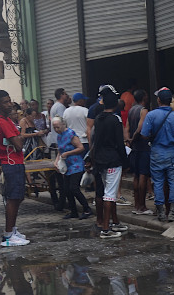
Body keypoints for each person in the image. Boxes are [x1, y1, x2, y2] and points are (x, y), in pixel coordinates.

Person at [141, 87, 174, 221]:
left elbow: (144, 134)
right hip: (173, 153)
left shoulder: (151, 115)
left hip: (156, 153)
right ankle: (172, 211)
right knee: (173, 182)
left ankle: (161, 211)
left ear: (159, 100)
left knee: (158, 182)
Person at [0, 89, 30, 246]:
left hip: (14, 162)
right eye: (5, 102)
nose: (9, 104)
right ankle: (8, 235)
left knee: (17, 197)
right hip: (11, 163)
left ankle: (12, 230)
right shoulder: (1, 121)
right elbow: (19, 145)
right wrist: (19, 137)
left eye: (9, 101)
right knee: (13, 199)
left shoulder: (5, 120)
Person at [88, 89, 129, 239]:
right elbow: (119, 143)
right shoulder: (116, 120)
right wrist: (126, 162)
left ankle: (114, 222)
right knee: (110, 195)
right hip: (113, 160)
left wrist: (94, 159)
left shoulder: (98, 118)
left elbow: (95, 141)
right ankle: (106, 229)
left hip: (100, 160)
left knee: (107, 193)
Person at [54, 116, 91, 219]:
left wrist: (68, 153)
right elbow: (59, 150)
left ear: (63, 124)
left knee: (73, 188)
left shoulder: (70, 134)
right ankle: (73, 211)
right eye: (54, 128)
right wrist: (56, 161)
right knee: (66, 189)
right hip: (67, 166)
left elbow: (81, 148)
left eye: (58, 127)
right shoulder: (59, 136)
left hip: (76, 164)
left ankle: (87, 209)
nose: (56, 130)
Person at [127, 89, 152, 215]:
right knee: (143, 175)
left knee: (136, 176)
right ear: (144, 97)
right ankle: (142, 206)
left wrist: (128, 140)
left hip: (134, 147)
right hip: (142, 146)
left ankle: (136, 205)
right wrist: (134, 138)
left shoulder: (131, 110)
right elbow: (141, 128)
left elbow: (126, 127)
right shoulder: (144, 111)